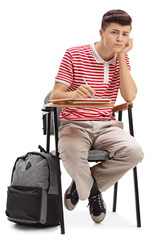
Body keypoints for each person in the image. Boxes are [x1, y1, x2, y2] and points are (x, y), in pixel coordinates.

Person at [50, 9, 144, 223]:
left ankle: (80, 186)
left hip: (106, 126)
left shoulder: (122, 59)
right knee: (72, 153)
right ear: (101, 32)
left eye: (125, 34)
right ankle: (93, 193)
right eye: (114, 32)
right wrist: (74, 93)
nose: (120, 38)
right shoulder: (74, 54)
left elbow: (129, 96)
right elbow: (55, 95)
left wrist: (121, 56)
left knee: (134, 151)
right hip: (74, 124)